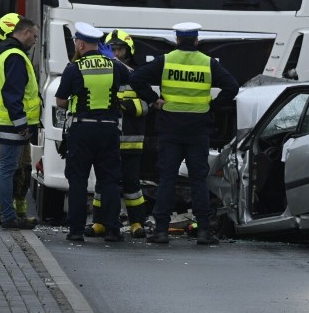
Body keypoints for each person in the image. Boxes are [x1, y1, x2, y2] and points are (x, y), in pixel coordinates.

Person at [130, 22, 239, 245]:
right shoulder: (208, 63)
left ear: (177, 40)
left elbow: (136, 78)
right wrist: (215, 106)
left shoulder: (166, 60)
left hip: (170, 128)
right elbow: (232, 86)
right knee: (198, 180)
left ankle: (161, 231)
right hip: (198, 129)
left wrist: (153, 100)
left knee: (167, 179)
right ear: (197, 41)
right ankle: (204, 232)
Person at [55, 22, 131, 242]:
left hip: (82, 129)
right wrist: (115, 59)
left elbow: (61, 101)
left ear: (80, 44)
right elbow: (133, 76)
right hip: (109, 130)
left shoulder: (74, 68)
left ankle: (76, 231)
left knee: (78, 180)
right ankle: (113, 230)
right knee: (108, 180)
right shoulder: (114, 66)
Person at [84, 29, 150, 239]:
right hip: (107, 140)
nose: (115, 53)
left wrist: (125, 105)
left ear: (128, 51)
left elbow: (146, 105)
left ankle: (137, 222)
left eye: (119, 49)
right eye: (111, 49)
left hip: (131, 142)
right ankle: (99, 222)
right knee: (103, 184)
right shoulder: (104, 72)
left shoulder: (138, 75)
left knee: (132, 185)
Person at [0, 16, 41, 230]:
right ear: (25, 32)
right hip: (12, 126)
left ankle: (11, 214)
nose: (35, 41)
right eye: (34, 36)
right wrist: (22, 124)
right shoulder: (16, 56)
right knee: (9, 170)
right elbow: (13, 95)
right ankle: (9, 216)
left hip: (4, 123)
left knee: (8, 170)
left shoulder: (3, 54)